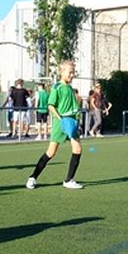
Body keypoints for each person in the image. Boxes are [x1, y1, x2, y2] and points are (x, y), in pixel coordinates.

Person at [26, 60, 84, 190]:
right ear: (61, 72)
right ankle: (32, 177)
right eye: (70, 72)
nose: (72, 75)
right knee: (51, 153)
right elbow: (51, 106)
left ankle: (69, 180)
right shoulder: (57, 87)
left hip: (71, 123)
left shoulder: (70, 88)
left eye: (73, 72)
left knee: (78, 149)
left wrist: (76, 121)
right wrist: (61, 119)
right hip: (61, 124)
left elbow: (74, 108)